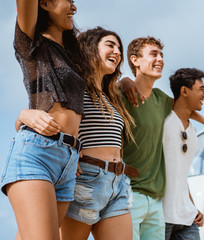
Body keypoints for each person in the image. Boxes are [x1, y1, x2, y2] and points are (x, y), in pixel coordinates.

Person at [118, 37, 204, 240]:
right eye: (154, 54)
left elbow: (184, 106)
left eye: (162, 55)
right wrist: (124, 80)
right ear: (135, 60)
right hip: (130, 194)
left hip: (156, 202)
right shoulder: (122, 96)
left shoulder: (160, 100)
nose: (160, 59)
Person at [0, 0, 85, 239]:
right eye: (68, 1)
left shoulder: (73, 55)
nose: (74, 8)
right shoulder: (31, 45)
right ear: (45, 3)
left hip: (68, 162)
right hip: (38, 153)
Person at [59, 27, 137, 240]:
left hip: (118, 183)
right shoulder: (75, 86)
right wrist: (24, 116)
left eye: (119, 48)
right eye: (110, 45)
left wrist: (126, 80)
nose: (118, 52)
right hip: (85, 178)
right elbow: (52, 120)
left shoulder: (110, 96)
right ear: (90, 49)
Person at [162, 68, 204, 240]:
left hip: (187, 217)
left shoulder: (193, 130)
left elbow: (180, 174)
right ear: (184, 91)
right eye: (201, 89)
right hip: (161, 214)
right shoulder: (163, 121)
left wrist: (192, 206)